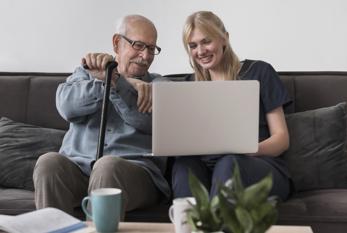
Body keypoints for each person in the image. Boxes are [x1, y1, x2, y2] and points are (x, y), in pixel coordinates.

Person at [33, 14, 170, 218]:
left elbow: (147, 121)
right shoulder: (85, 73)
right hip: (78, 169)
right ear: (117, 43)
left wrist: (115, 82)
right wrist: (107, 82)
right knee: (49, 162)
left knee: (107, 166)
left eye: (151, 48)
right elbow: (66, 107)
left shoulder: (158, 86)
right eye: (139, 45)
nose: (146, 56)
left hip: (135, 175)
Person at [172, 11, 292, 201]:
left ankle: (217, 228)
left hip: (258, 165)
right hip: (207, 166)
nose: (200, 51)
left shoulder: (259, 72)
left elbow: (282, 139)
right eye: (193, 45)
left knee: (228, 163)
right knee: (183, 167)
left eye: (206, 41)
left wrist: (248, 149)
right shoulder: (188, 86)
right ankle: (189, 228)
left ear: (224, 39)